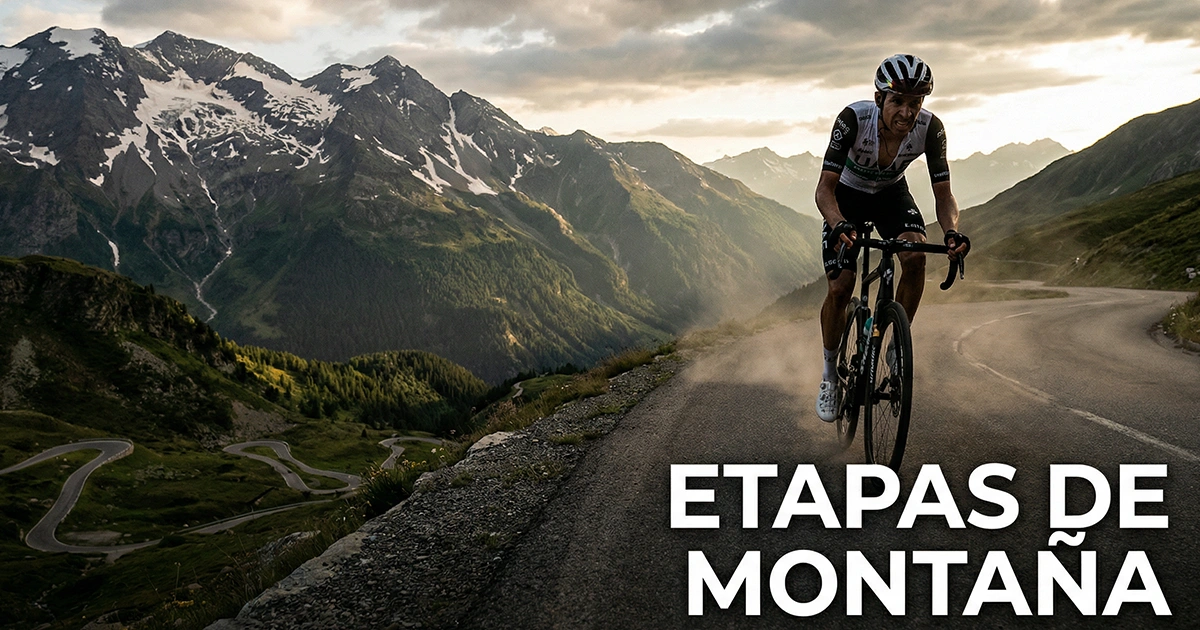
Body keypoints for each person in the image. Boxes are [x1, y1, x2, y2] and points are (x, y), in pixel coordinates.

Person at [814, 54, 970, 422]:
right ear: (879, 98)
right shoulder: (853, 119)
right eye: (897, 101)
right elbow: (824, 190)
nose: (906, 112)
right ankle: (829, 374)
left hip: (890, 194)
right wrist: (837, 223)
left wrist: (950, 232)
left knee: (915, 256)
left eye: (915, 103)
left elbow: (944, 194)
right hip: (846, 197)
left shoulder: (931, 129)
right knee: (840, 288)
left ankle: (894, 346)